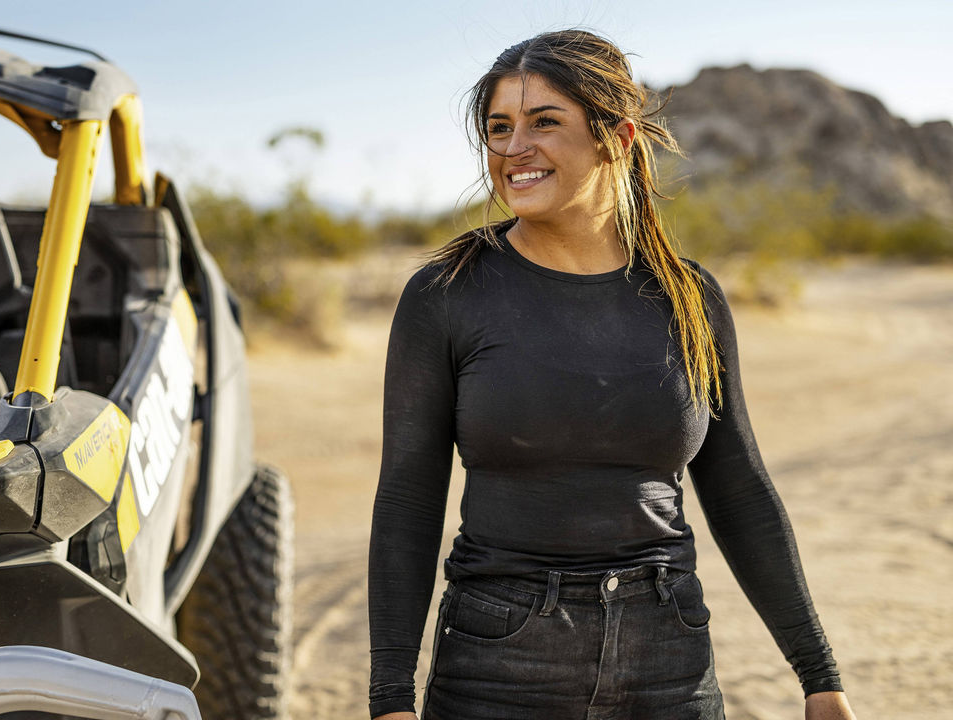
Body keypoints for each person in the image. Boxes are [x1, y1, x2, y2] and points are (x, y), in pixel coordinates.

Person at [367, 30, 856, 720]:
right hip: (498, 663)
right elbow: (408, 501)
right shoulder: (447, 294)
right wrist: (390, 698)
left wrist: (819, 676)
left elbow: (739, 485)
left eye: (544, 122)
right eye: (498, 128)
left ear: (615, 137)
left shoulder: (689, 297)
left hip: (670, 661)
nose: (512, 149)